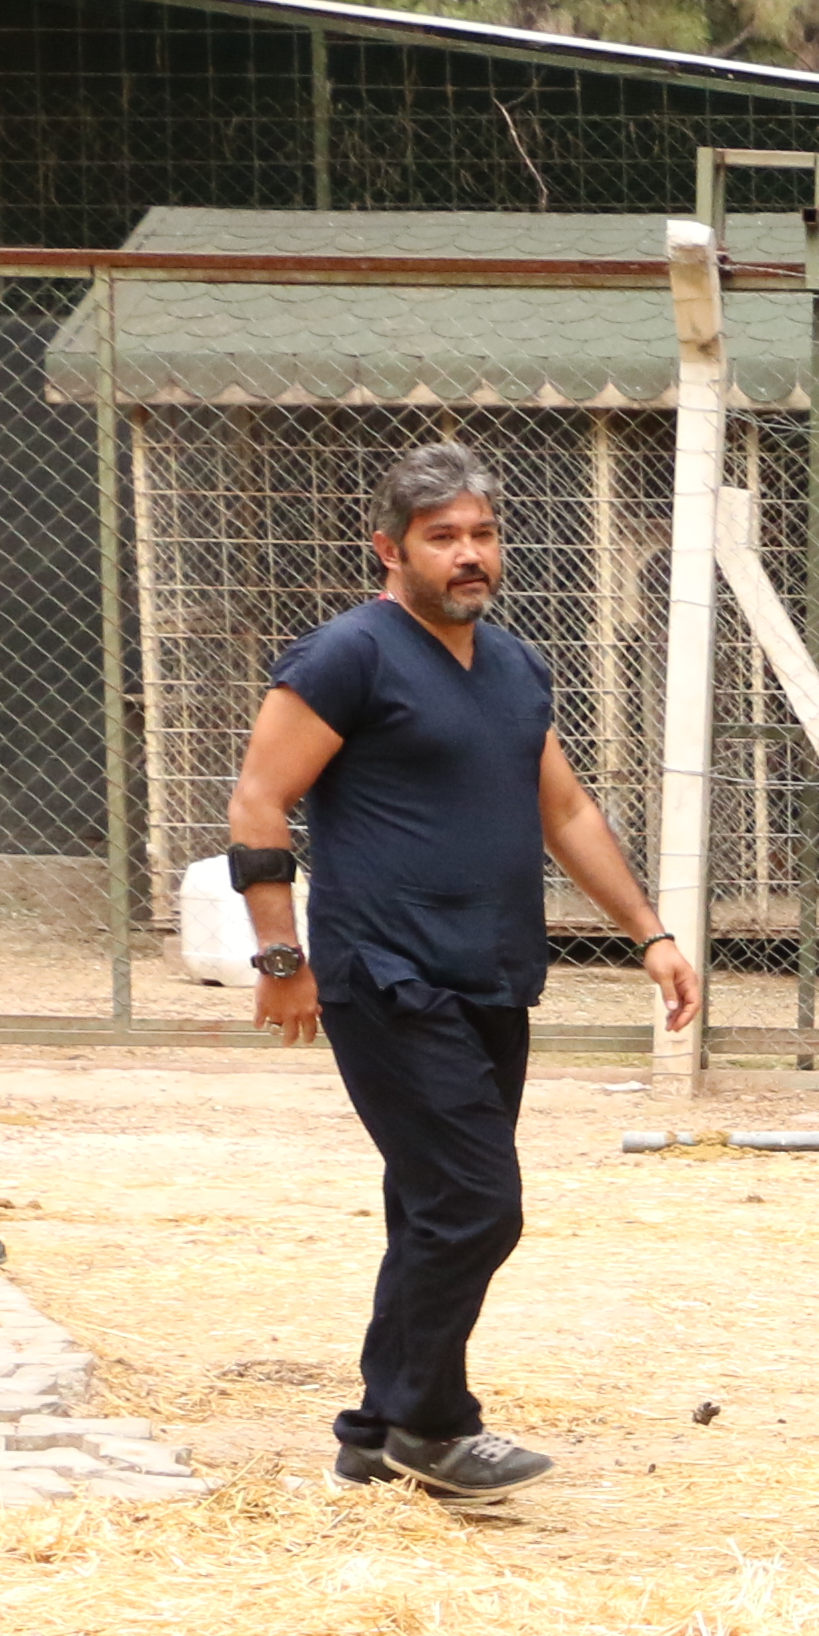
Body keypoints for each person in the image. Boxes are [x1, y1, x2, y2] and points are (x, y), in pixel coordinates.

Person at [222, 440, 700, 1501]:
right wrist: (282, 955)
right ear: (391, 550)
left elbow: (563, 808)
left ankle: (373, 1425)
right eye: (444, 538)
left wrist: (650, 934)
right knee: (480, 1205)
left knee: (433, 1205)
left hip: (491, 975)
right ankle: (434, 1428)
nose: (469, 555)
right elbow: (259, 801)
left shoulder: (517, 666)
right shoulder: (348, 655)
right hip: (384, 976)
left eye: (482, 534)